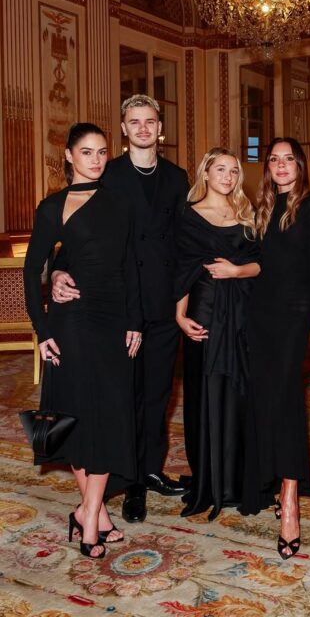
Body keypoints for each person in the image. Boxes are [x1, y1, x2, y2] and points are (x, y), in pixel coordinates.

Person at [50, 95, 189, 523]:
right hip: (116, 305)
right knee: (121, 396)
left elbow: (187, 240)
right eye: (134, 121)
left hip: (162, 303)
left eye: (150, 121)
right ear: (124, 129)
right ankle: (128, 483)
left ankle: (149, 471)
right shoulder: (104, 173)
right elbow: (75, 235)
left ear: (160, 128)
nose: (143, 128)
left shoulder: (178, 177)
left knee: (158, 395)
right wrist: (57, 271)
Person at [23, 123, 142, 558]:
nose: (96, 159)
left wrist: (135, 321)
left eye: (102, 151)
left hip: (113, 319)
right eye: (87, 151)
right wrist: (42, 331)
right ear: (69, 157)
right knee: (72, 414)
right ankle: (94, 516)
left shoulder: (121, 203)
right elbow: (32, 269)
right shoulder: (52, 206)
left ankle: (87, 513)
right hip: (71, 321)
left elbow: (130, 265)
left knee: (110, 414)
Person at [241, 137, 310, 560]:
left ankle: (291, 498)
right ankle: (268, 483)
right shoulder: (261, 209)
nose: (281, 166)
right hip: (259, 316)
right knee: (263, 400)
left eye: (288, 159)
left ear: (300, 165)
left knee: (287, 402)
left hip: (293, 317)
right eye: (274, 160)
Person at [174, 148, 260, 520]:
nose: (227, 176)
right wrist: (179, 314)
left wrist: (237, 271)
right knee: (204, 393)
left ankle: (238, 481)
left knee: (240, 393)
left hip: (243, 314)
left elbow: (263, 264)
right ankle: (208, 481)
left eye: (233, 170)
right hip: (204, 311)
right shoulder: (188, 215)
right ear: (205, 173)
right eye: (220, 169)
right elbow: (181, 268)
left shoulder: (248, 213)